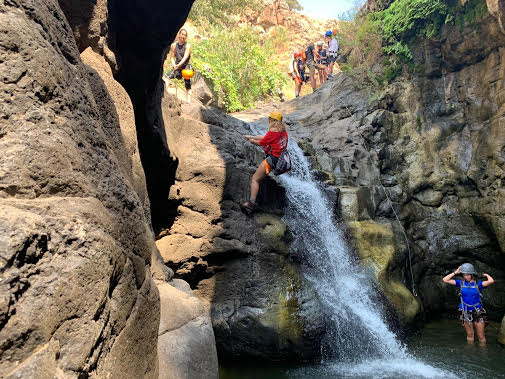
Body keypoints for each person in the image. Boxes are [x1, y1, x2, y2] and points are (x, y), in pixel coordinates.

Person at [241, 111, 288, 213]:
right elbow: (266, 137)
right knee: (261, 177)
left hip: (272, 160)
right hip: (279, 160)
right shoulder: (282, 130)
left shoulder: (273, 129)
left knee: (255, 179)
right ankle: (258, 199)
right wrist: (251, 136)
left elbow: (262, 142)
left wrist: (252, 141)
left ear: (271, 120)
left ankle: (251, 204)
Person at [442, 263, 495, 343]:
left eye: (468, 275)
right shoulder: (461, 283)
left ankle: (482, 353)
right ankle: (471, 353)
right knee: (470, 335)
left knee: (481, 337)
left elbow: (491, 281)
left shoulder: (478, 284)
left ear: (472, 274)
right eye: (464, 275)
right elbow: (445, 280)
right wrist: (455, 272)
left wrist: (487, 275)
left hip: (477, 312)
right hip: (465, 312)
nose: (466, 277)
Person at [170, 29, 192, 104]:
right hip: (177, 66)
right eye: (182, 34)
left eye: (185, 35)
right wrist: (174, 65)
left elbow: (185, 57)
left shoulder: (188, 46)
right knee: (167, 77)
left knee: (187, 80)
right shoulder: (173, 45)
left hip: (185, 66)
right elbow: (172, 57)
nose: (183, 36)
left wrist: (178, 65)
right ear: (179, 35)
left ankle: (188, 100)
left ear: (186, 37)